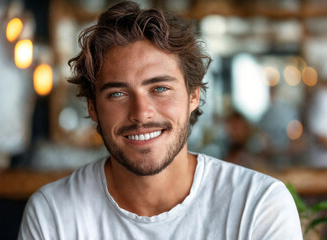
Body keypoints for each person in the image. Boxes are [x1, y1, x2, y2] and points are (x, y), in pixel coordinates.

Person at [18, 1, 303, 239]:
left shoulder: (258, 205)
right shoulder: (53, 214)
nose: (141, 114)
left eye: (160, 89)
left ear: (194, 96)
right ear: (92, 107)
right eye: (117, 93)